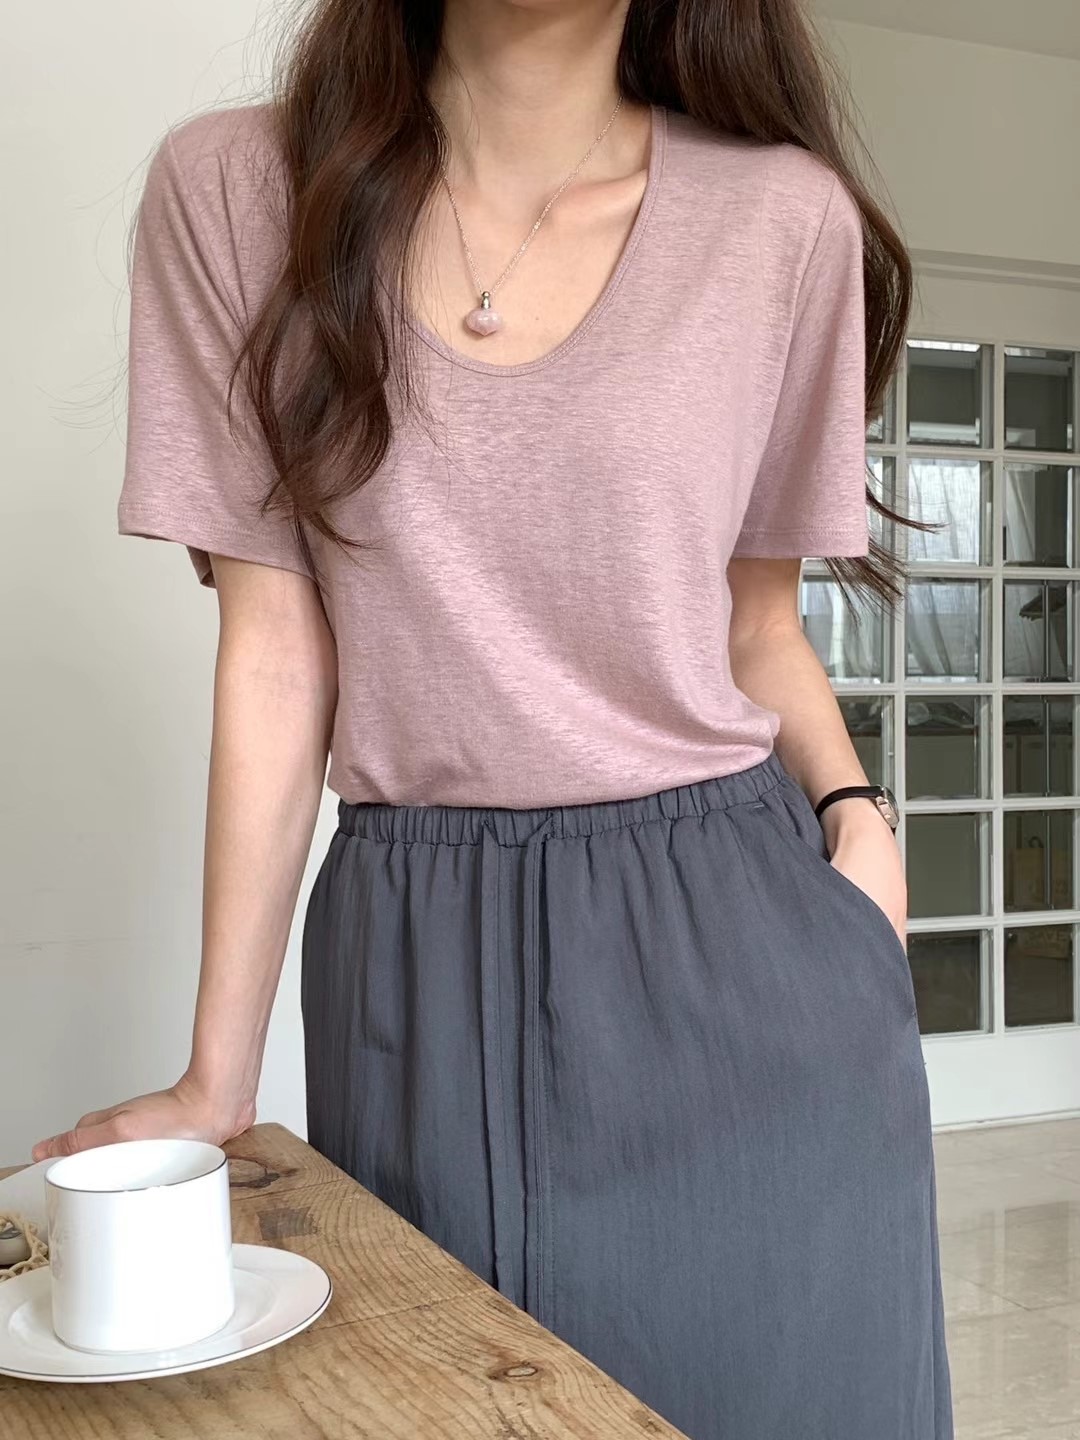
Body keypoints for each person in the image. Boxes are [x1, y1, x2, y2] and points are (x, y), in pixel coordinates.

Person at [35, 0, 953, 1435]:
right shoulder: (239, 191)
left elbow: (755, 624)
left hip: (739, 940)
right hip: (415, 947)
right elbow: (275, 648)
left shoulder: (783, 220)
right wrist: (218, 1075)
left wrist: (859, 821)